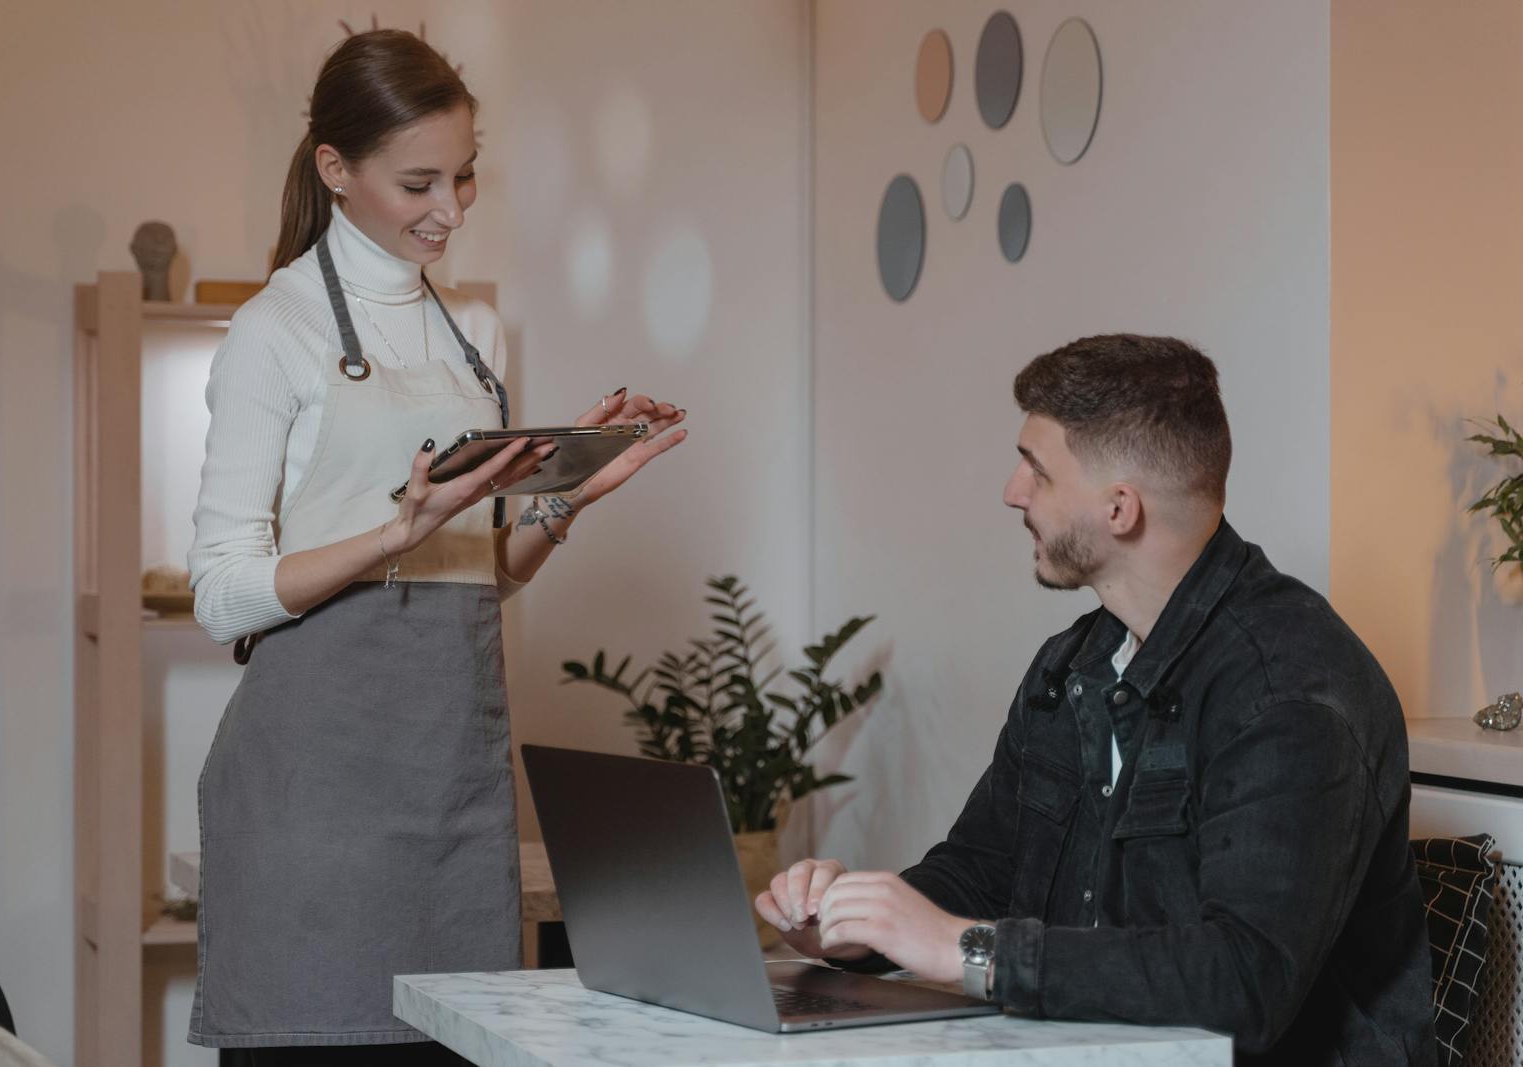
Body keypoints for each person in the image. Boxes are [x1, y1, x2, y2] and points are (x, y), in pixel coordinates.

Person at [186, 29, 686, 1063]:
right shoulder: (272, 332)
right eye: (419, 182)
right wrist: (393, 530)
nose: (450, 209)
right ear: (336, 169)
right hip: (312, 811)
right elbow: (222, 593)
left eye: (463, 178)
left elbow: (474, 582)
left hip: (450, 798)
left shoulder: (470, 341)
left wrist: (563, 499)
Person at [758, 335, 1434, 1064]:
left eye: (1037, 471)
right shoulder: (1072, 665)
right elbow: (981, 869)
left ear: (1119, 508)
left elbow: (1244, 982)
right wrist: (859, 925)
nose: (1012, 491)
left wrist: (966, 949)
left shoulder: (1292, 691)